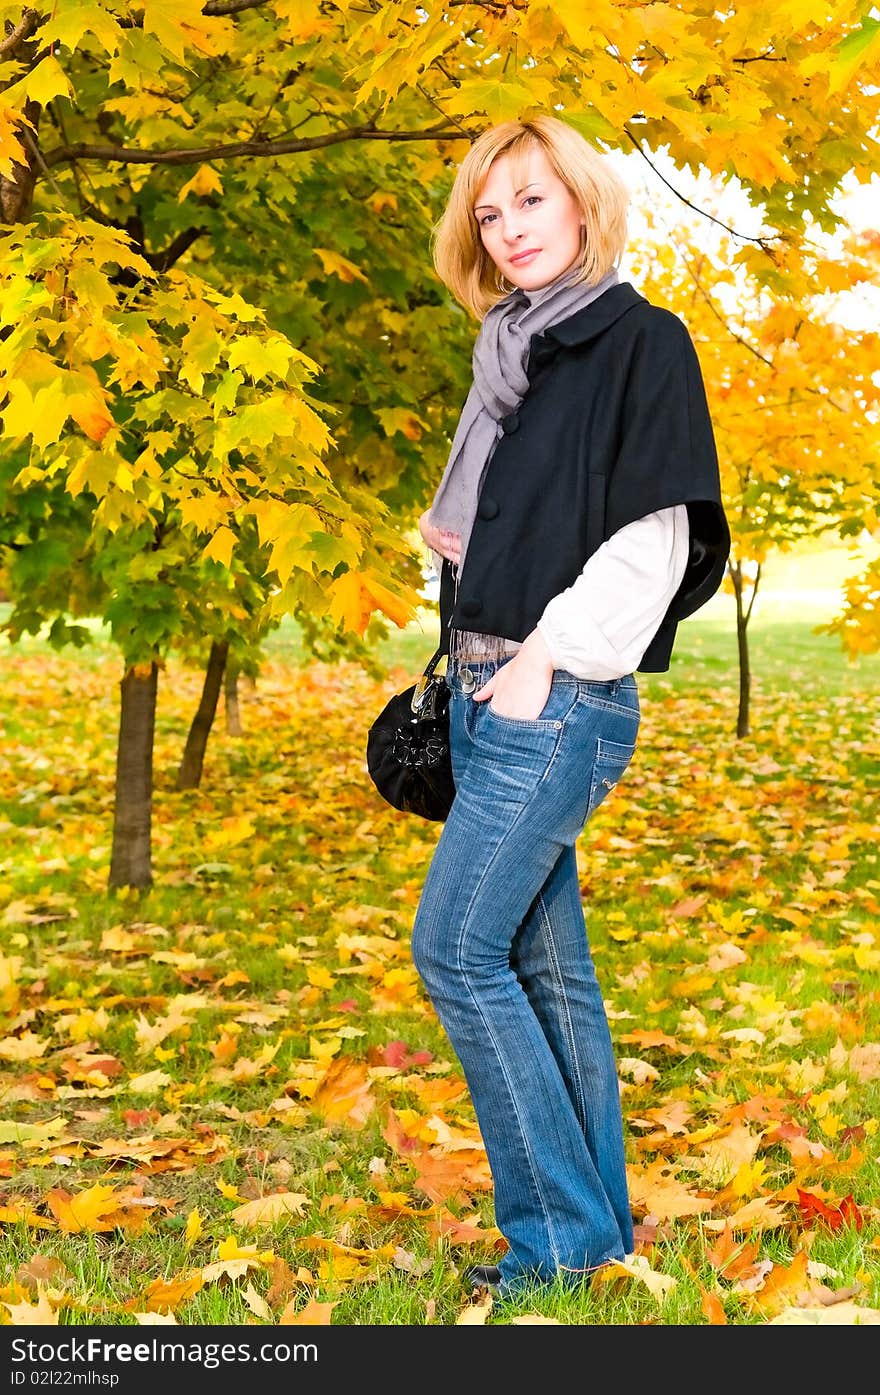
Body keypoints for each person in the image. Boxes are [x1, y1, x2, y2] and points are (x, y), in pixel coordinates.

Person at [410, 114, 730, 1302]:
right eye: (489, 216)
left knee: (454, 951)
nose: (506, 233)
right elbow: (514, 519)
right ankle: (595, 1234)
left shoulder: (641, 343)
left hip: (557, 692)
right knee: (544, 971)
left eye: (528, 203)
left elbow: (652, 540)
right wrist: (454, 551)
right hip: (487, 685)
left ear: (582, 204)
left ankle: (552, 1241)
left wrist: (544, 654)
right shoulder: (511, 354)